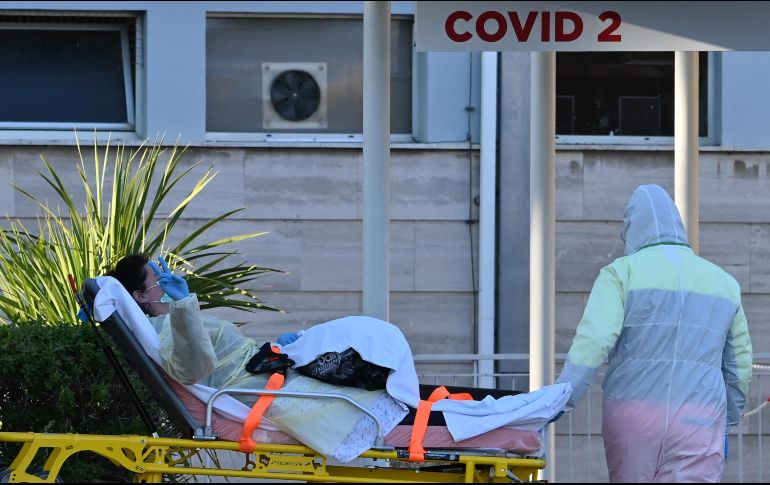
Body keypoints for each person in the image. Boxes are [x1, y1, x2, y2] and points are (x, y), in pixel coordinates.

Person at [106, 254, 407, 462]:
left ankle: (417, 401)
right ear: (141, 296)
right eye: (157, 278)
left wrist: (278, 347)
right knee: (375, 393)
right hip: (258, 388)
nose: (167, 277)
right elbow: (193, 369)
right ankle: (421, 414)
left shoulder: (178, 320)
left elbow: (227, 353)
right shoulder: (164, 328)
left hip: (268, 372)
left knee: (361, 340)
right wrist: (183, 303)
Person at [555, 184, 753, 483]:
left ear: (632, 227)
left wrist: (561, 399)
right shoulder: (724, 283)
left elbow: (592, 343)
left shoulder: (621, 273)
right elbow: (739, 365)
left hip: (632, 414)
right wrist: (728, 420)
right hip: (700, 417)